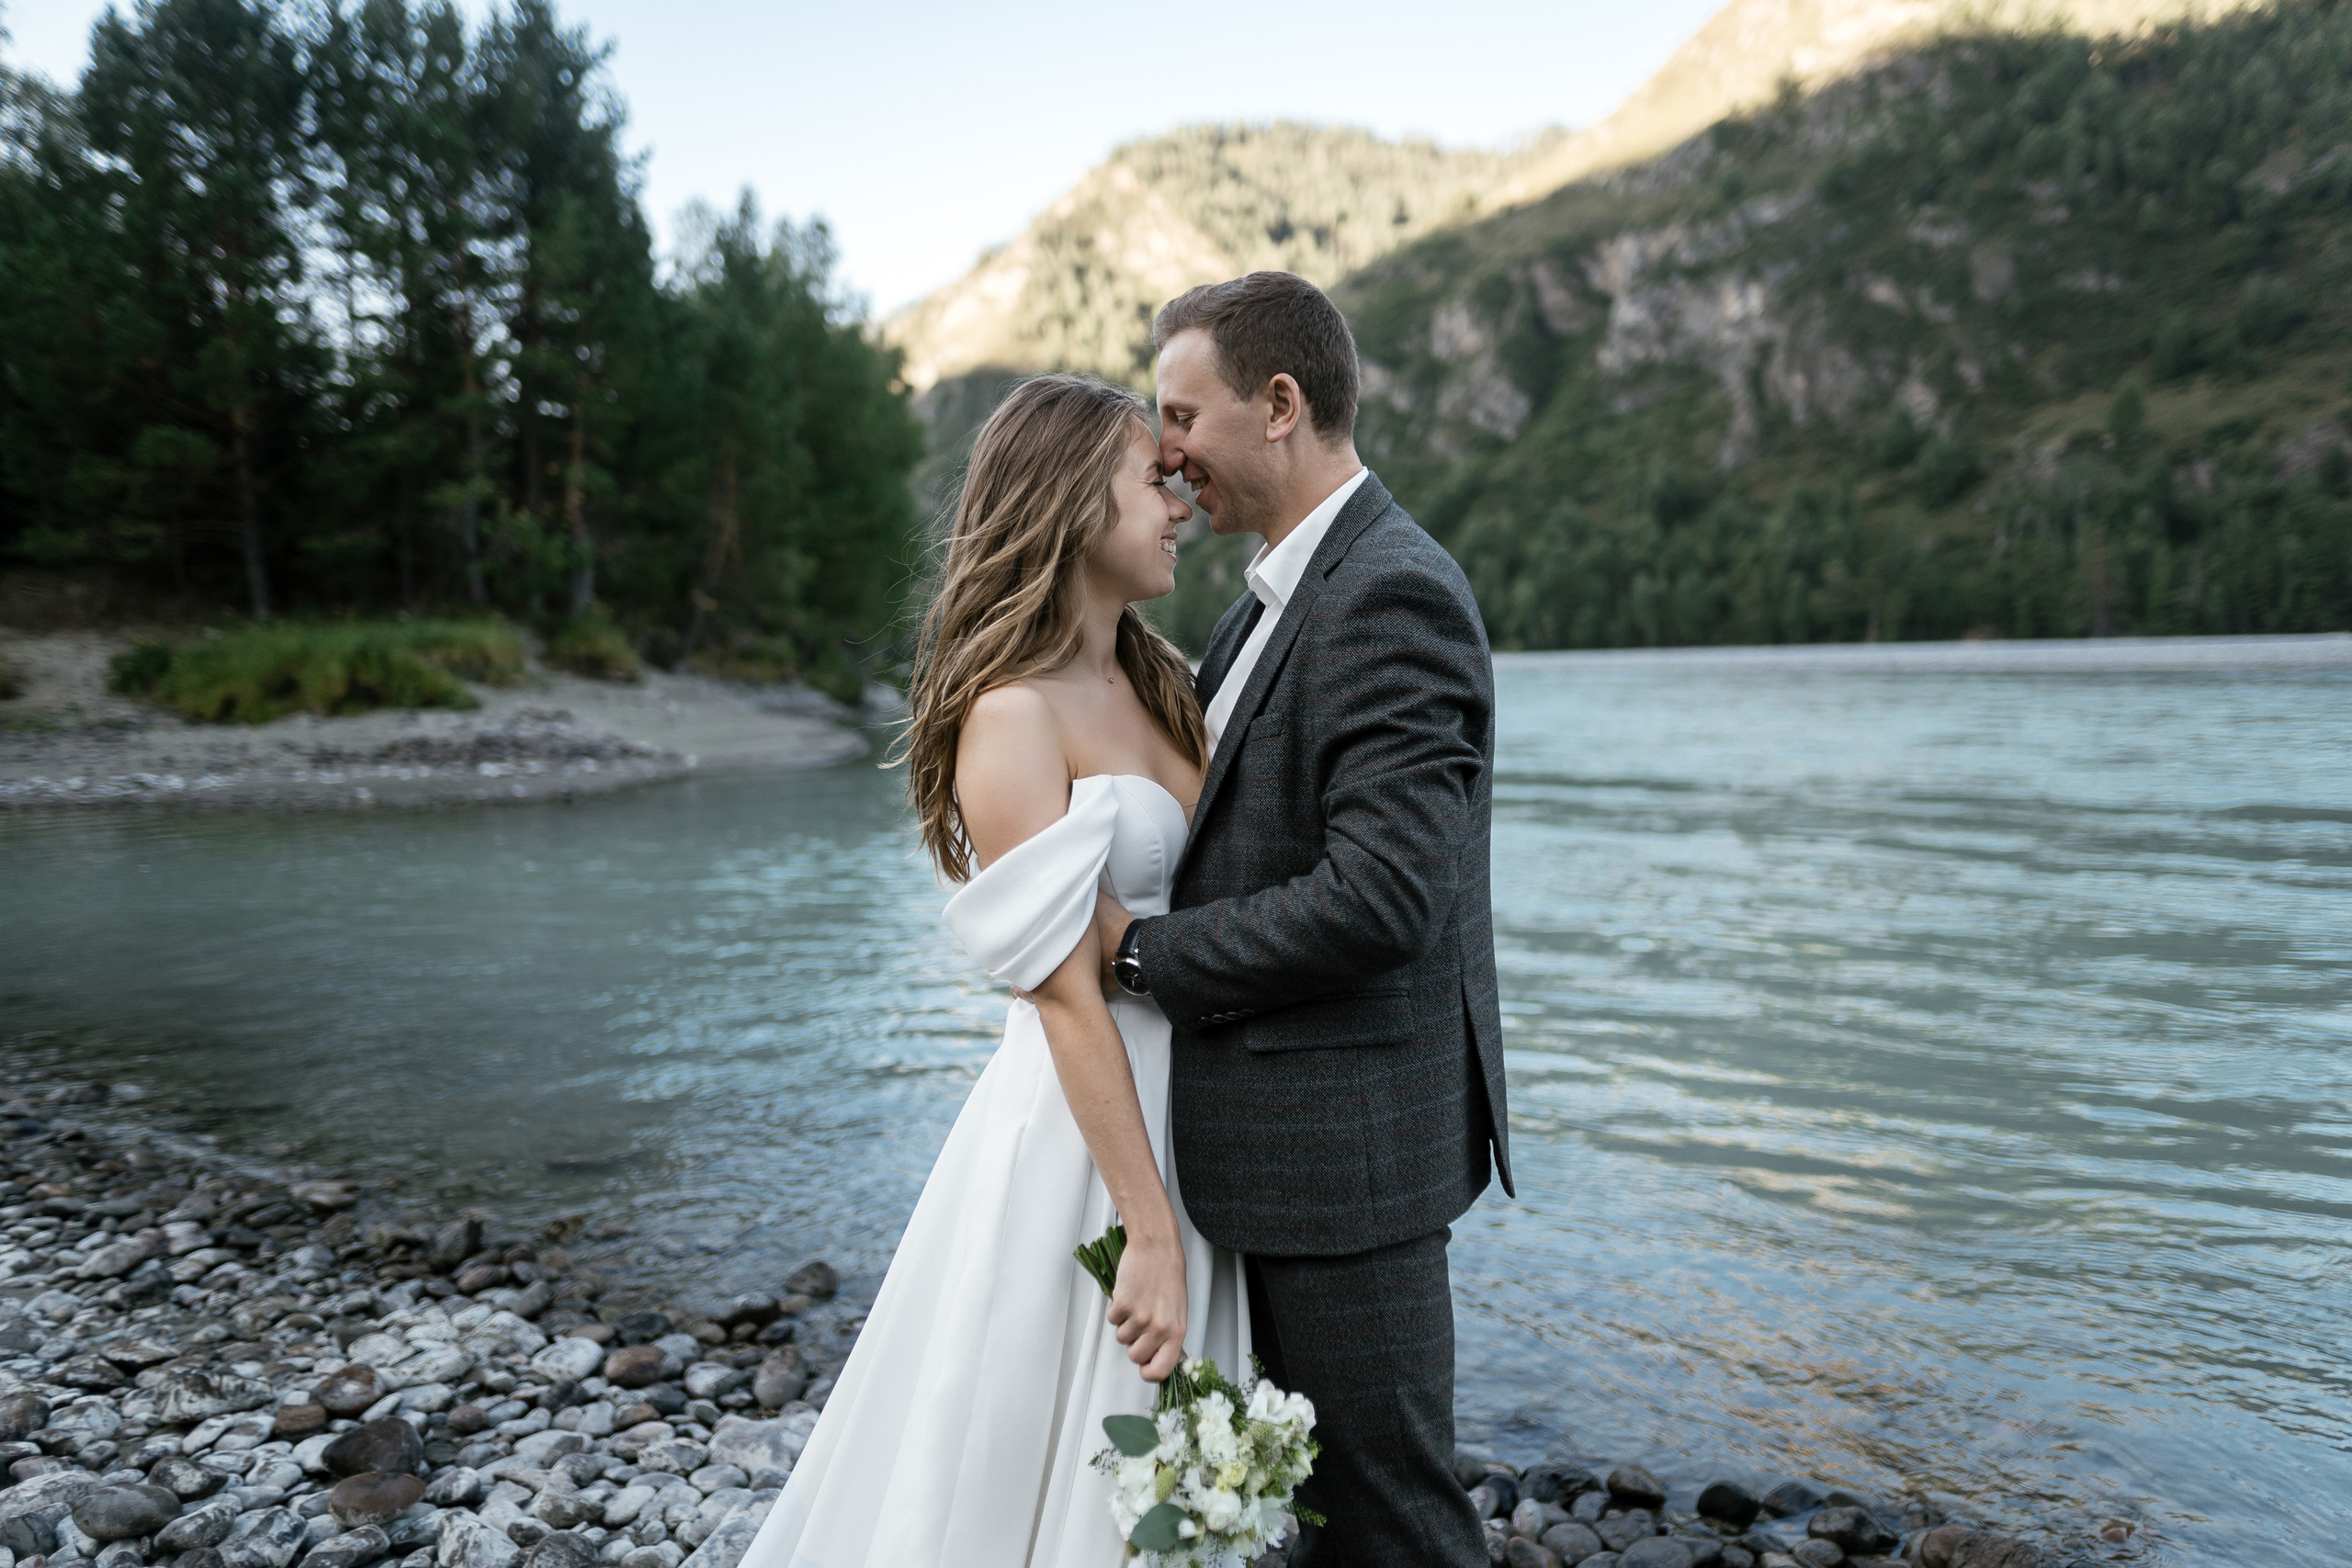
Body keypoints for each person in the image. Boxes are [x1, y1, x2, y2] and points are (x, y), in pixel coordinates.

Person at [733, 372, 1250, 1568]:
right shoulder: (1011, 714)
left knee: (1170, 1458)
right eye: (1152, 480)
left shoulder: (1169, 682)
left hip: (1203, 1114)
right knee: (1040, 1442)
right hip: (1087, 1139)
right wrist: (1149, 1229)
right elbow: (1069, 998)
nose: (1180, 504)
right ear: (1073, 500)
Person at [1094, 270, 1512, 1566]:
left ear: (1279, 404)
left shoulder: (1390, 591)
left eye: (1183, 413)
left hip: (1348, 1166)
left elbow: (1383, 896)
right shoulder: (1265, 602)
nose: (1165, 451)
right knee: (1318, 1522)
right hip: (1273, 1158)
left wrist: (1137, 952)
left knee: (1394, 1522)